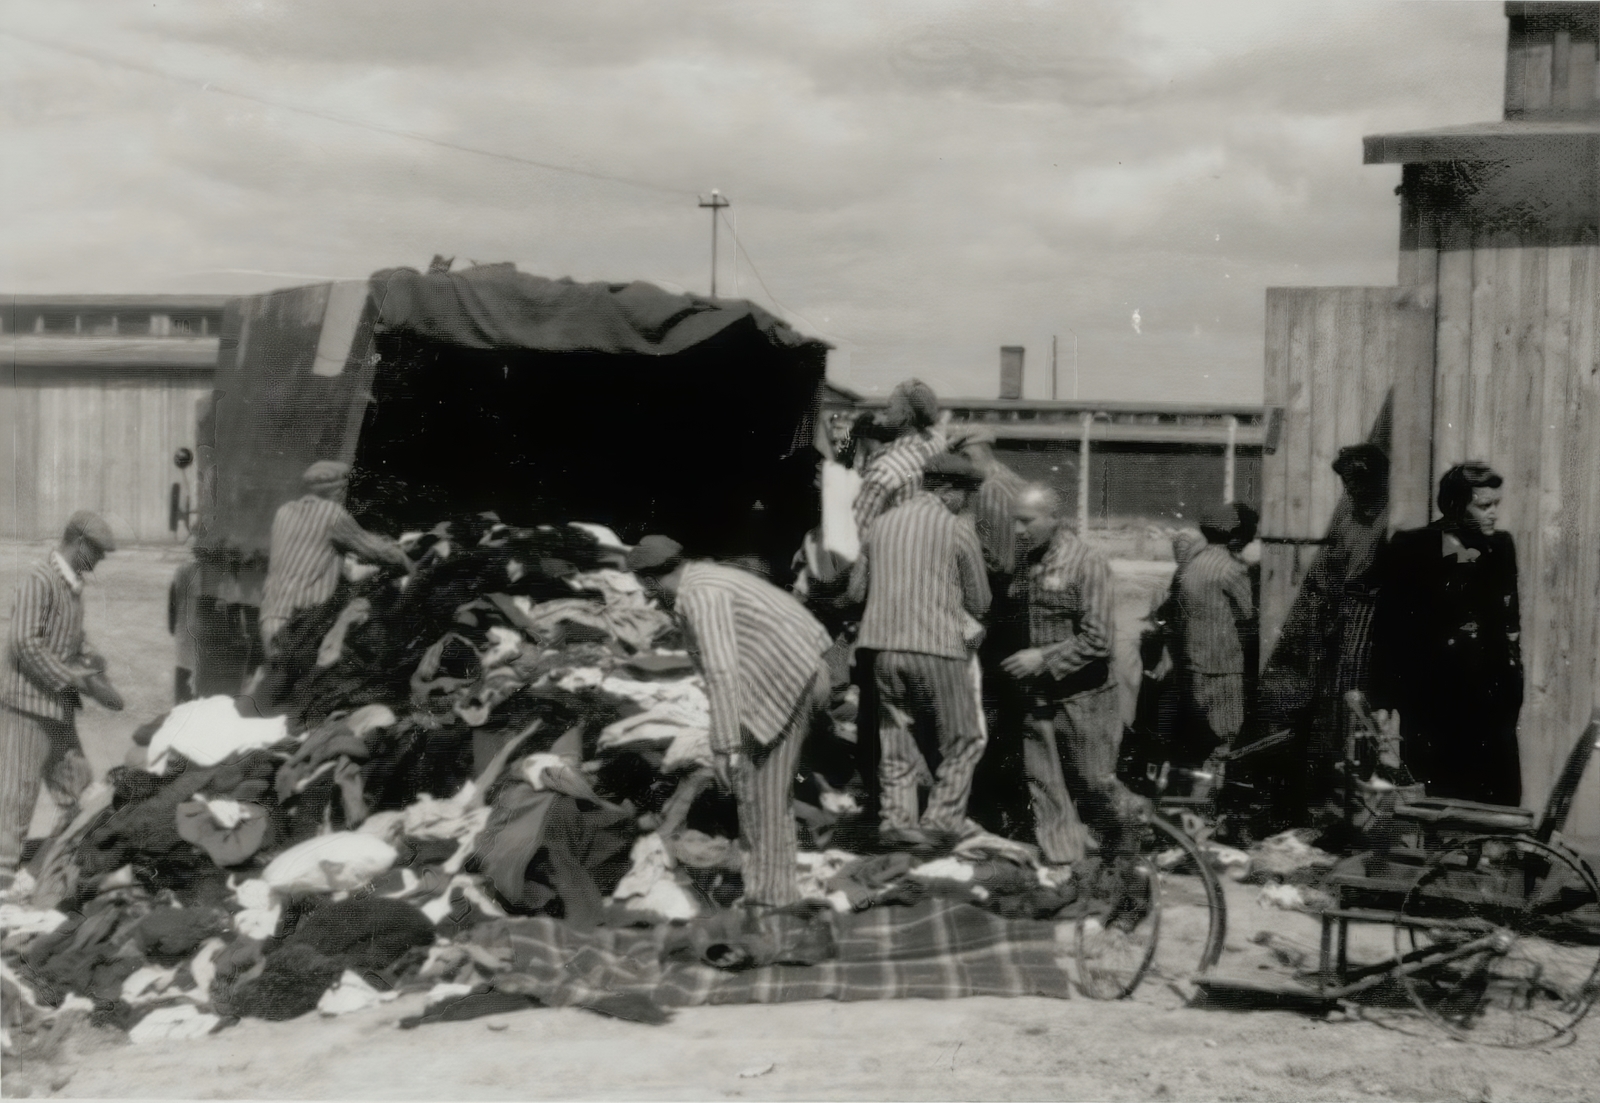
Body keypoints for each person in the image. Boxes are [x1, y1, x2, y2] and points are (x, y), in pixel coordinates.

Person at [629, 535, 833, 907]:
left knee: (762, 794)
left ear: (649, 579)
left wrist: (724, 744)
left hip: (787, 677)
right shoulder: (706, 577)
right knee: (760, 791)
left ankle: (773, 899)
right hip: (796, 670)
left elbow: (722, 670)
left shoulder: (698, 595)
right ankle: (769, 886)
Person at [848, 453, 991, 846]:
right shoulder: (956, 529)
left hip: (881, 650)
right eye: (965, 494)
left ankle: (897, 823)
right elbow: (980, 601)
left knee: (896, 740)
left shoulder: (881, 524)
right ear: (947, 490)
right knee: (964, 741)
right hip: (937, 648)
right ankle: (940, 824)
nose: (966, 502)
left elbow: (855, 591)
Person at [1369, 461, 1523, 806]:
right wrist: (1382, 697)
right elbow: (1388, 627)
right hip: (1433, 696)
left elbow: (1510, 620)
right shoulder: (1414, 547)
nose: (1494, 514)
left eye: (1496, 504)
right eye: (1484, 506)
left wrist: (1513, 684)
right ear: (1455, 505)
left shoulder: (1500, 547)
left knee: (1492, 791)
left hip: (1489, 695)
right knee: (1438, 793)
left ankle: (1484, 855)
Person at [1002, 484, 1140, 865]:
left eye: (1026, 522)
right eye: (1014, 522)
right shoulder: (1025, 561)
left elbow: (1099, 639)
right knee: (1044, 788)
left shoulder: (1086, 562)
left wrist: (1041, 658)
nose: (1018, 531)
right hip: (1037, 699)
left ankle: (1128, 860)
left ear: (1054, 519)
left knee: (1096, 785)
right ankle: (1065, 867)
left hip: (1085, 700)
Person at [0, 511, 120, 888]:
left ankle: (53, 865)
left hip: (57, 709)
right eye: (97, 552)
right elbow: (23, 641)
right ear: (79, 543)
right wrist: (70, 677)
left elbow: (70, 637)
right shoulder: (41, 580)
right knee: (17, 797)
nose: (99, 561)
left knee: (81, 791)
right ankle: (3, 879)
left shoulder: (72, 586)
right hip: (25, 706)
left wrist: (91, 658)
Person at [258, 461, 412, 653]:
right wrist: (407, 561)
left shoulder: (284, 512)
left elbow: (313, 554)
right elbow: (376, 550)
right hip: (299, 621)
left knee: (276, 674)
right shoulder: (332, 515)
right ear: (339, 489)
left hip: (271, 614)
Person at [1174, 502, 1258, 767]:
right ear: (1236, 533)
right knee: (1226, 737)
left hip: (1194, 662)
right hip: (1224, 665)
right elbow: (1249, 613)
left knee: (1203, 735)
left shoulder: (1193, 564)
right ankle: (1214, 796)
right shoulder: (1231, 569)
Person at [851, 379, 948, 539]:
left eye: (889, 406)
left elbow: (855, 535)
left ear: (905, 416)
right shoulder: (937, 445)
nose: (885, 412)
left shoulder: (885, 469)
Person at [169, 558, 201, 704]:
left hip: (193, 627)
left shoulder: (185, 569)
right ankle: (181, 701)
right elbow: (173, 596)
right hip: (187, 624)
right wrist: (172, 623)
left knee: (189, 664)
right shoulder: (184, 570)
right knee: (185, 664)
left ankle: (184, 701)